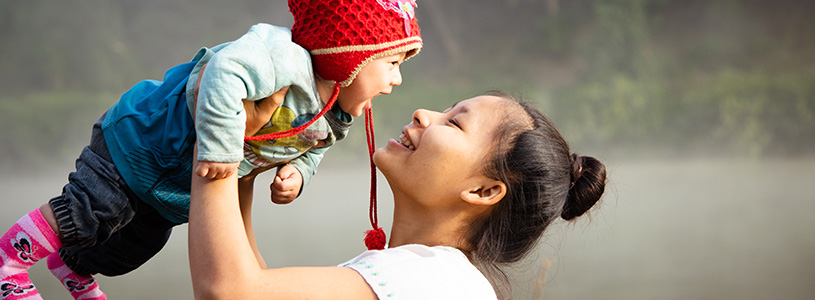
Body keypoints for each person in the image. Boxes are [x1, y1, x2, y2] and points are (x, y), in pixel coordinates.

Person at [0, 1, 422, 299]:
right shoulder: (278, 57)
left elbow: (312, 147)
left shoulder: (333, 114)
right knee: (94, 209)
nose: (397, 80)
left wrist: (299, 173)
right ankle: (10, 263)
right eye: (393, 64)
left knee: (131, 248)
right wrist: (222, 148)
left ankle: (72, 265)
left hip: (176, 190)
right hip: (142, 144)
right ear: (347, 55)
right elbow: (223, 71)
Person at [188, 91, 608, 299]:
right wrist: (244, 156)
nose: (424, 114)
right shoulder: (427, 275)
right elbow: (254, 284)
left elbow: (231, 291)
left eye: (454, 123)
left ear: (483, 191)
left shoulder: (435, 283)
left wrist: (218, 130)